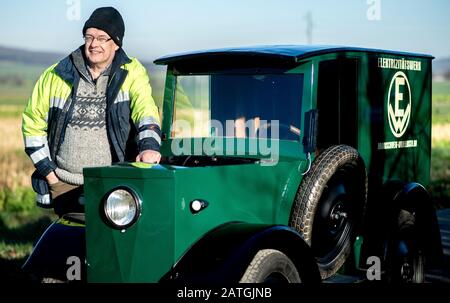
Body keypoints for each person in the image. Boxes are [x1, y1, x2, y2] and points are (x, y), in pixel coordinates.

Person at [22, 7, 161, 216]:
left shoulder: (132, 73)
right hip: (65, 184)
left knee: (112, 245)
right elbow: (32, 124)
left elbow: (146, 111)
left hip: (114, 184)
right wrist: (50, 176)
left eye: (102, 38)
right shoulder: (56, 75)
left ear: (116, 43)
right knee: (71, 244)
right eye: (89, 37)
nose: (94, 44)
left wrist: (149, 146)